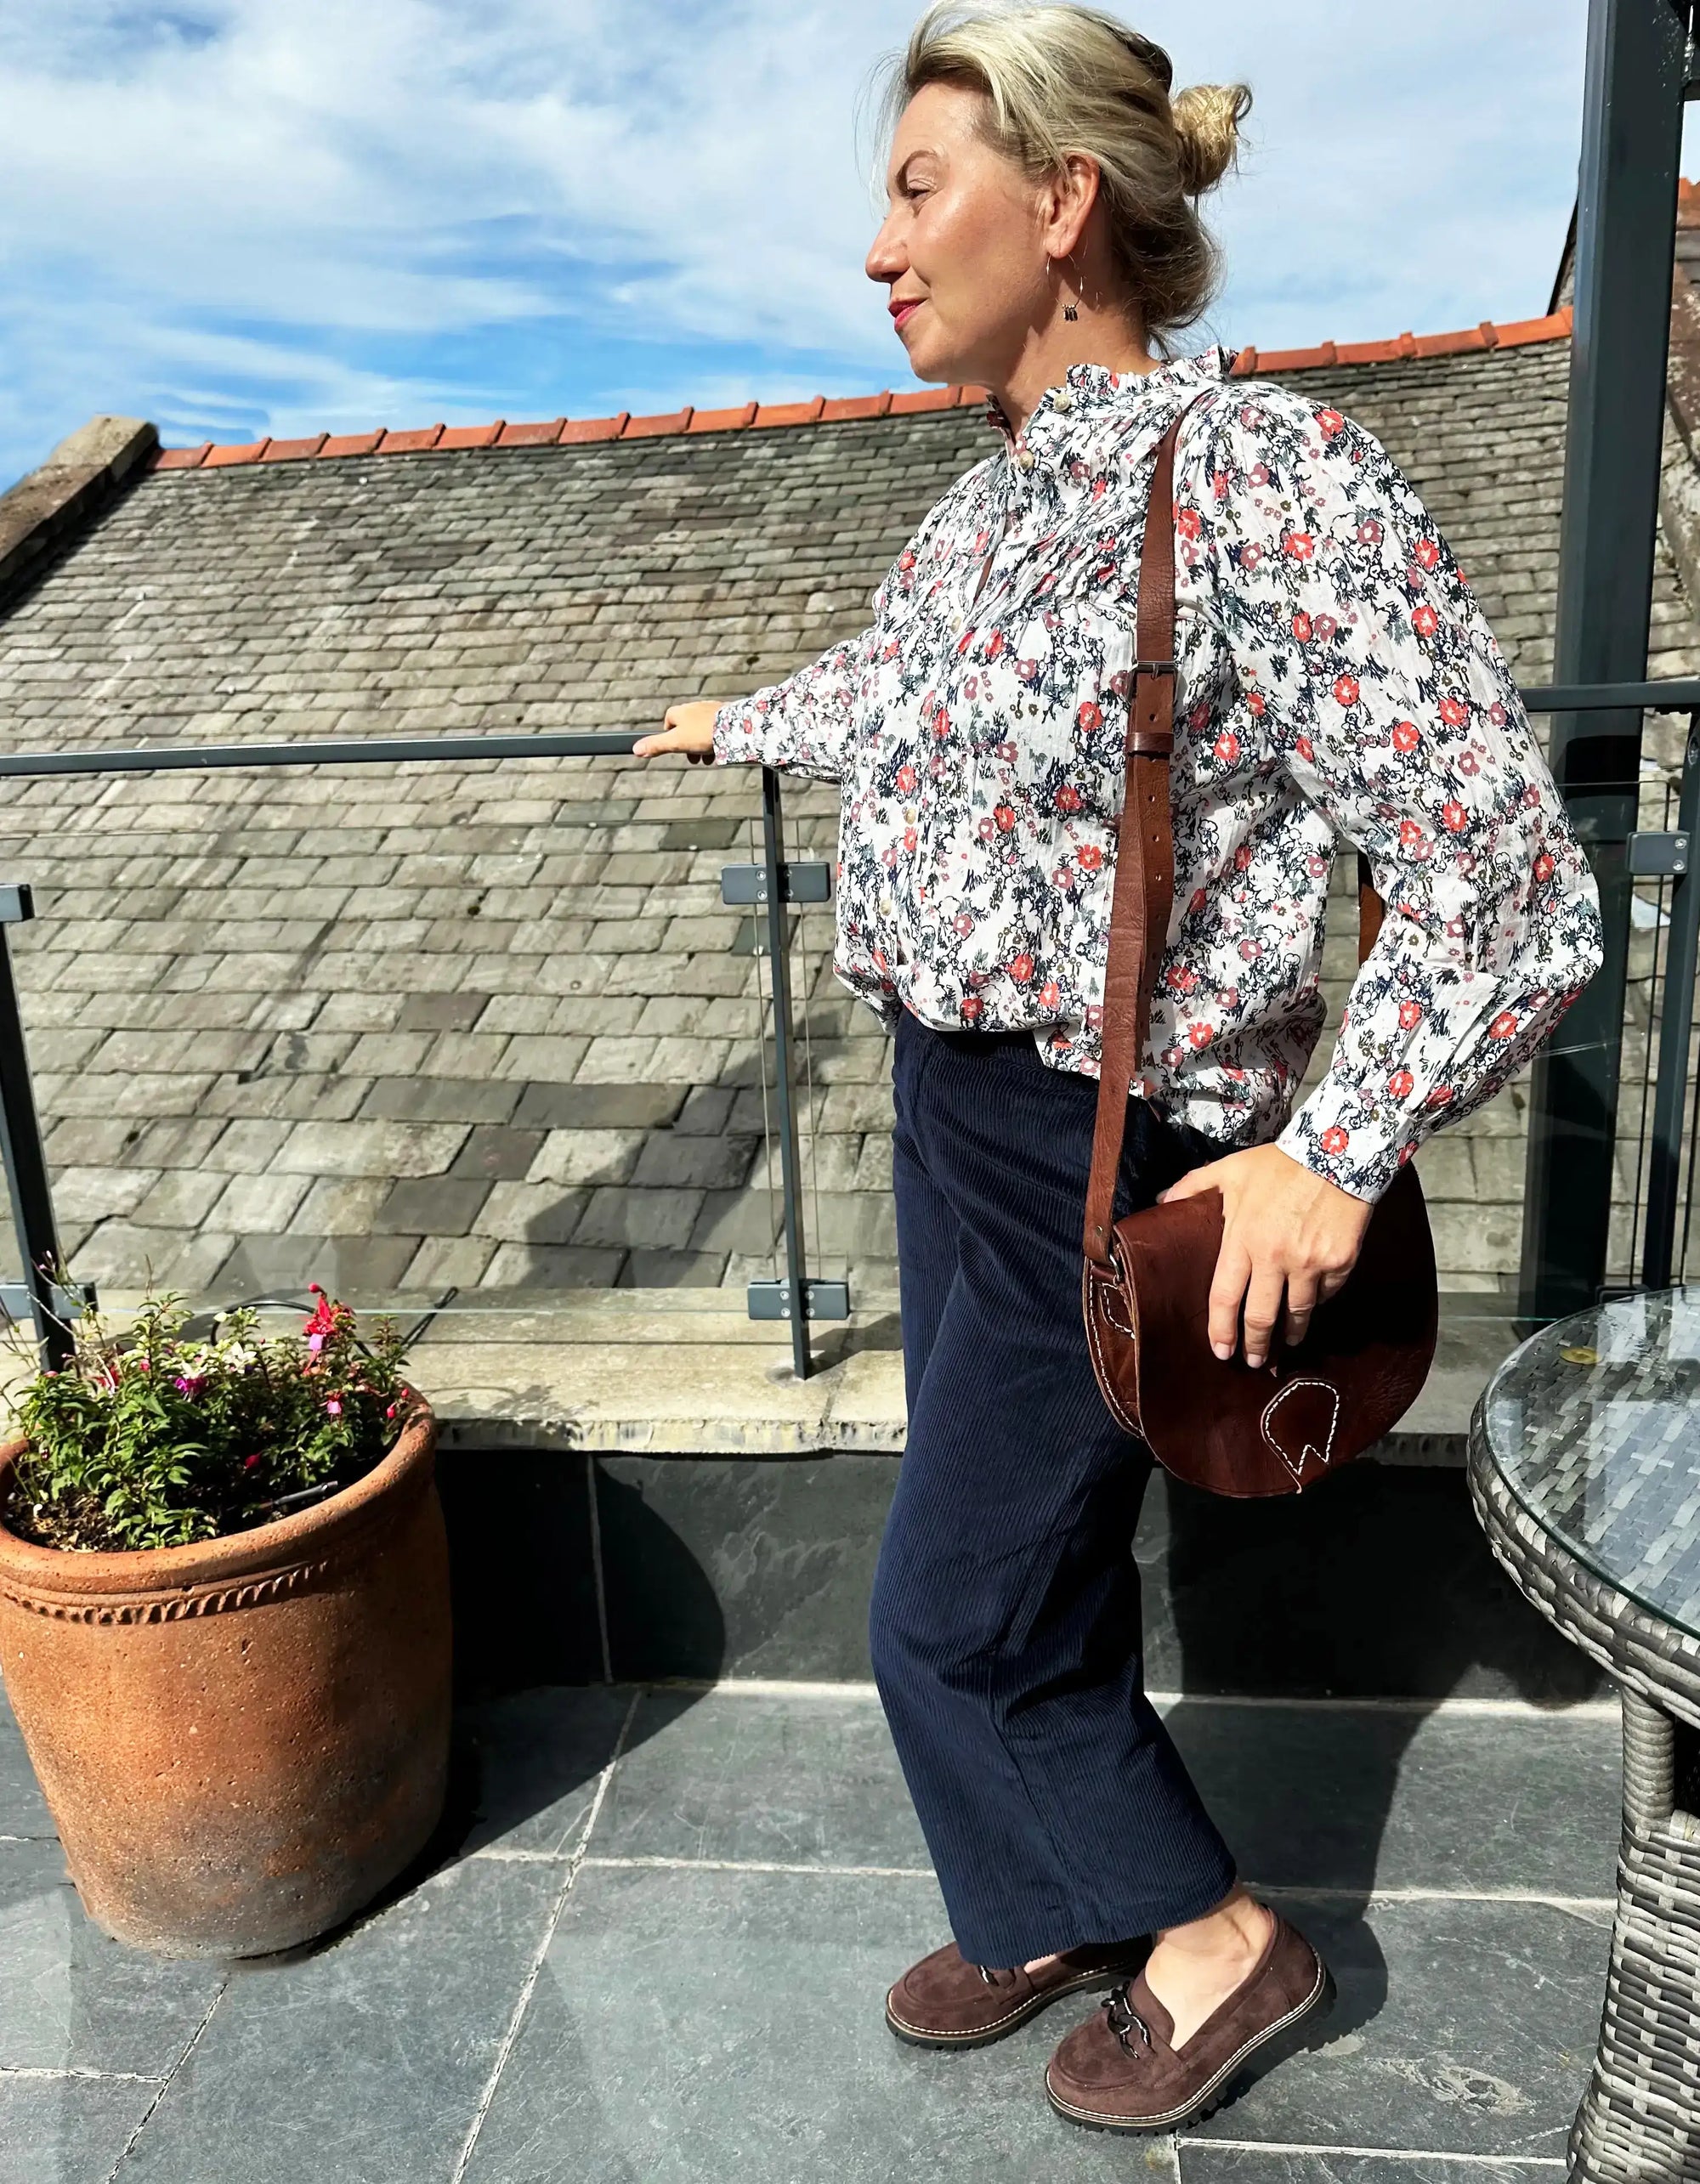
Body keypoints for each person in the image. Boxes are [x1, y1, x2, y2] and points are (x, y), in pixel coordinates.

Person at [637, 0, 1603, 2136]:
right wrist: (743, 722)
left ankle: (1213, 1938)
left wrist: (1327, 1153)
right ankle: (1044, 1887)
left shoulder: (1259, 477)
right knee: (1021, 1556)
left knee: (945, 1620)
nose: (875, 250)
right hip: (954, 1100)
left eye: (917, 190)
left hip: (1117, 1140)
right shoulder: (982, 514)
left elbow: (1506, 881)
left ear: (1062, 202)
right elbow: (891, 689)